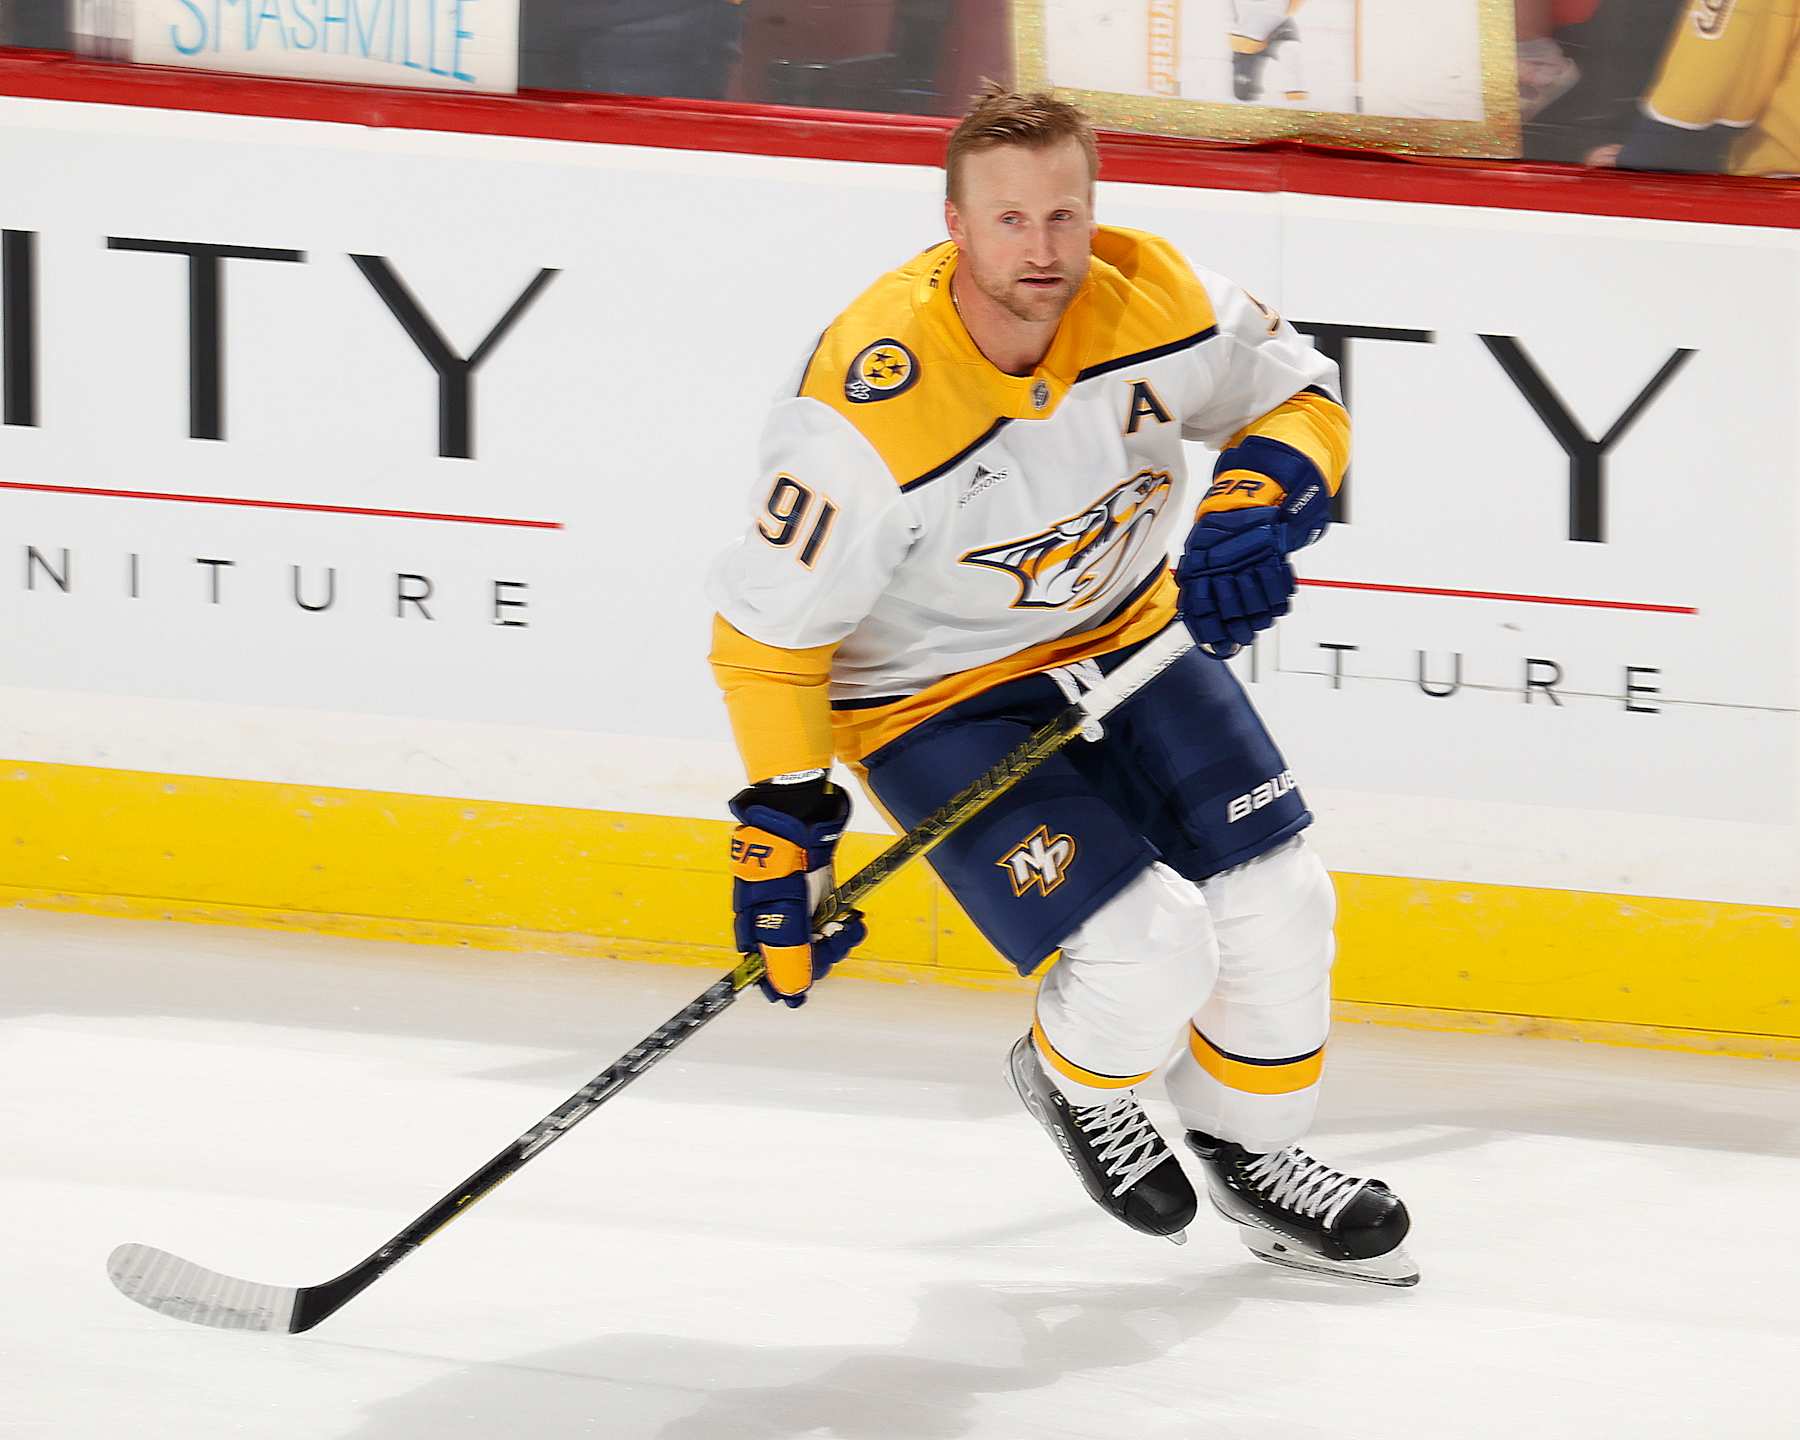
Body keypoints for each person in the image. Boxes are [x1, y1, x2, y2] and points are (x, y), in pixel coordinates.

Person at [706, 86, 1416, 1286]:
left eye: (1064, 216)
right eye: (1008, 220)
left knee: (1284, 903)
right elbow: (767, 638)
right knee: (1147, 948)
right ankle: (1075, 1080)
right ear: (953, 223)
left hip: (1127, 639)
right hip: (935, 695)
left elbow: (1303, 393)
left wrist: (1256, 501)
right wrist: (786, 822)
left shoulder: (1157, 297)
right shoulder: (865, 411)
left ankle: (1255, 1156)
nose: (1041, 250)